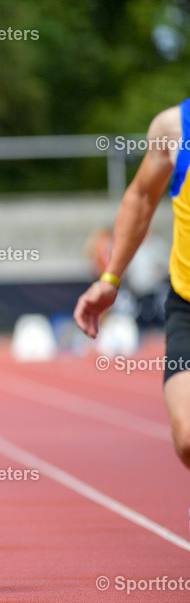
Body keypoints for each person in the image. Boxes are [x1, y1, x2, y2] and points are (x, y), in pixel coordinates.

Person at [73, 100, 190, 531]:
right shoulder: (175, 126)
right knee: (187, 436)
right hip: (188, 303)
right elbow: (141, 197)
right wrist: (110, 278)